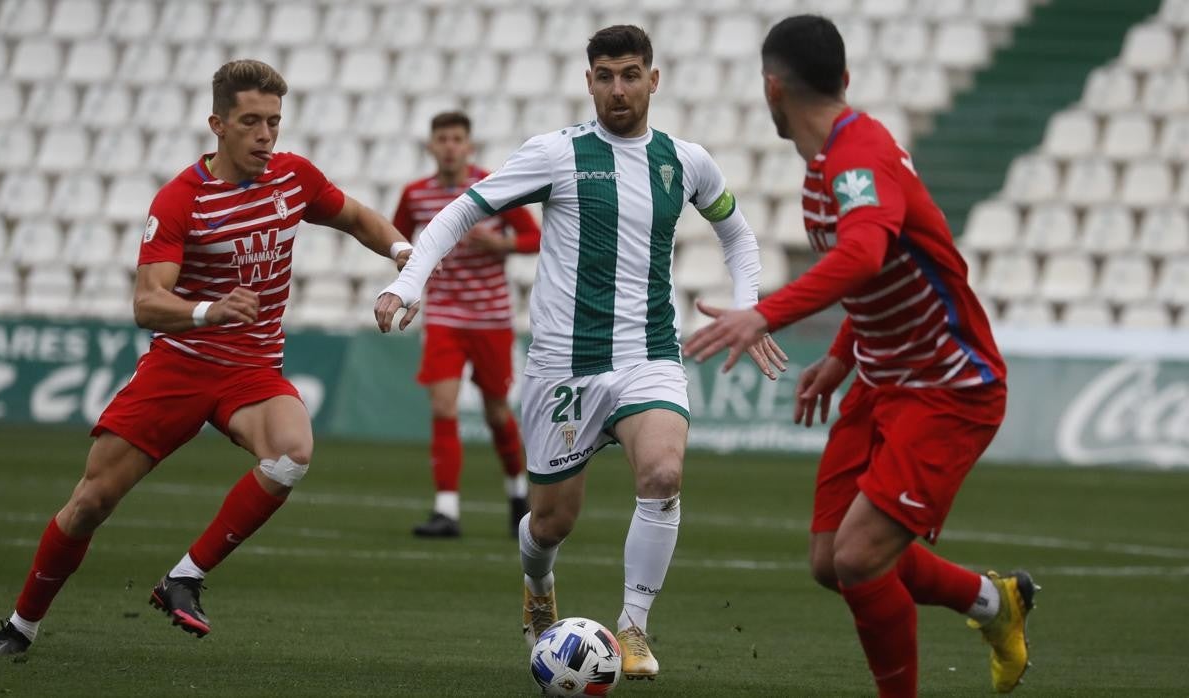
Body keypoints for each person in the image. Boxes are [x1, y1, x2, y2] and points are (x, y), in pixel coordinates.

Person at [375, 25, 787, 681]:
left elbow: (737, 234)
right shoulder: (557, 154)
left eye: (629, 74)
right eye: (604, 75)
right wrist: (408, 280)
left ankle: (633, 626)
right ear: (588, 80)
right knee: (550, 523)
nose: (617, 88)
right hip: (565, 367)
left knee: (662, 474)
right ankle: (538, 585)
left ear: (654, 80)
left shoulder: (687, 161)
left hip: (650, 353)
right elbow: (459, 212)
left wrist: (751, 304)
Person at [0, 59, 415, 655]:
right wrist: (209, 310)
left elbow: (356, 217)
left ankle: (184, 577)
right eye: (251, 122)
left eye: (275, 122)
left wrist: (401, 254)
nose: (266, 136)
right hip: (180, 366)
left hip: (252, 368)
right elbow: (147, 303)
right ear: (218, 124)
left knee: (292, 453)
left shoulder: (293, 178)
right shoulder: (182, 200)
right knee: (90, 502)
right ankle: (20, 626)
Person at [683, 16, 1036, 696]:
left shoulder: (858, 158)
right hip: (882, 377)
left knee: (859, 556)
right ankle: (995, 603)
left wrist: (765, 312)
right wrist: (844, 356)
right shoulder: (828, 167)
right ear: (842, 79)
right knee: (830, 560)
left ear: (771, 88)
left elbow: (865, 252)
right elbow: (884, 268)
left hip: (948, 387)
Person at [391, 111, 542, 539]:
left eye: (457, 138)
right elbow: (395, 238)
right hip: (444, 317)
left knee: (497, 413)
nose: (450, 146)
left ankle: (517, 493)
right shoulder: (416, 194)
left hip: (491, 318)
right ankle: (447, 510)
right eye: (443, 139)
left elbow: (536, 238)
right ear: (431, 146)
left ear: (469, 146)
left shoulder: (492, 187)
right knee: (443, 406)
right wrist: (412, 262)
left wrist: (503, 244)